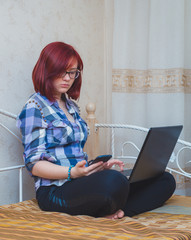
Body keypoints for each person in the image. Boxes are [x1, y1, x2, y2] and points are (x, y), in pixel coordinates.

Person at [16, 41, 176, 219]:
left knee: (165, 180)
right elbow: (34, 165)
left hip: (79, 180)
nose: (68, 78)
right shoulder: (34, 106)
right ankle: (115, 204)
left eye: (73, 72)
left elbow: (75, 156)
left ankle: (122, 212)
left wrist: (95, 167)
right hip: (55, 191)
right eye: (63, 71)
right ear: (47, 69)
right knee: (115, 181)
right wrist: (72, 173)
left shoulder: (71, 106)